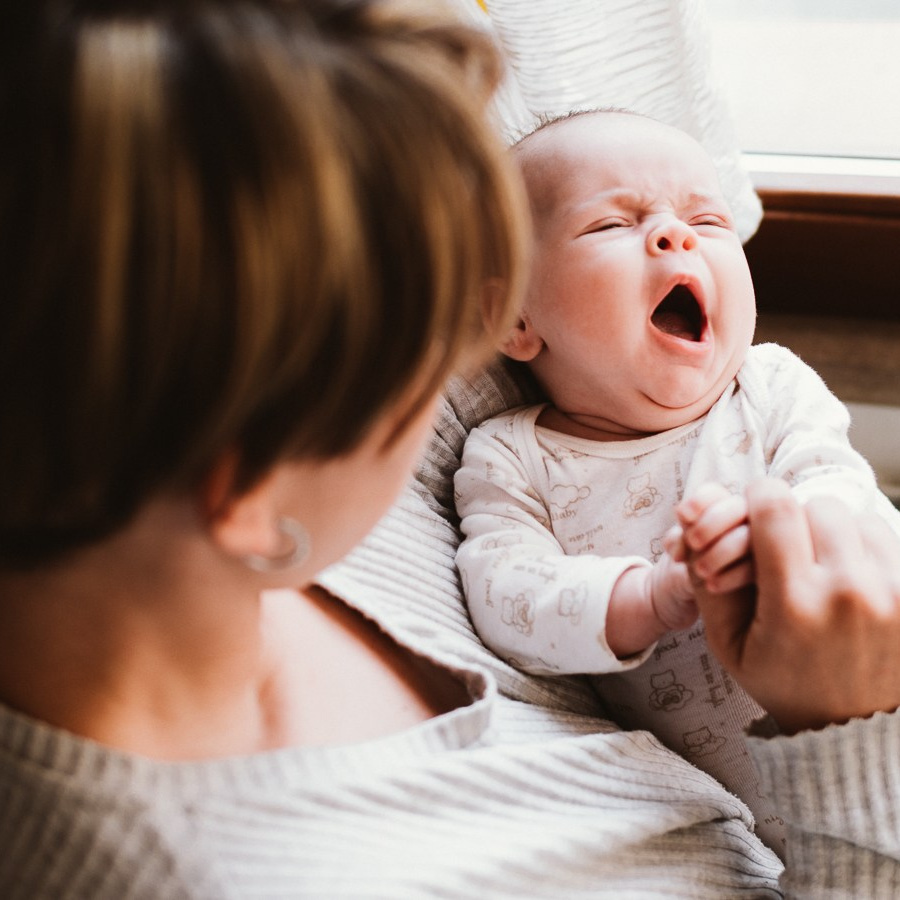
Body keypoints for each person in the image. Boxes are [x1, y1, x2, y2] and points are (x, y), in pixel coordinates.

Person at [1, 3, 900, 898]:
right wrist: (850, 731)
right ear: (243, 484)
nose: (458, 375)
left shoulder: (174, 442)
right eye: (428, 334)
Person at [454, 109, 900, 855]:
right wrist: (647, 597)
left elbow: (834, 481)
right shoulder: (510, 455)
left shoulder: (769, 384)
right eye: (609, 226)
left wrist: (785, 534)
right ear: (512, 317)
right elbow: (507, 594)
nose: (675, 234)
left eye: (707, 218)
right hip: (769, 808)